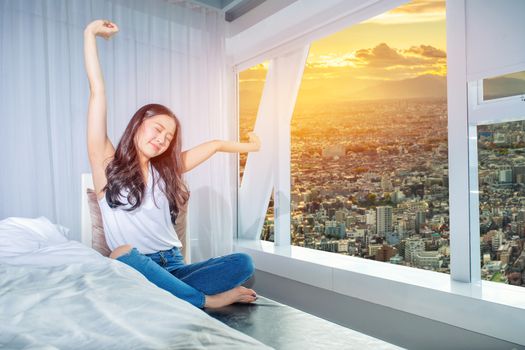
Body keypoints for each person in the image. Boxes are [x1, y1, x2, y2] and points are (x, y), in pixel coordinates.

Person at [84, 19, 260, 309]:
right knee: (121, 253)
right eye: (157, 129)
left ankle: (171, 294)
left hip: (175, 266)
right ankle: (206, 301)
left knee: (243, 263)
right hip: (135, 267)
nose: (162, 139)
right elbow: (97, 92)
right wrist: (90, 34)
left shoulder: (166, 171)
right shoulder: (106, 163)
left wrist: (253, 146)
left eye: (169, 137)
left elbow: (215, 145)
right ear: (139, 123)